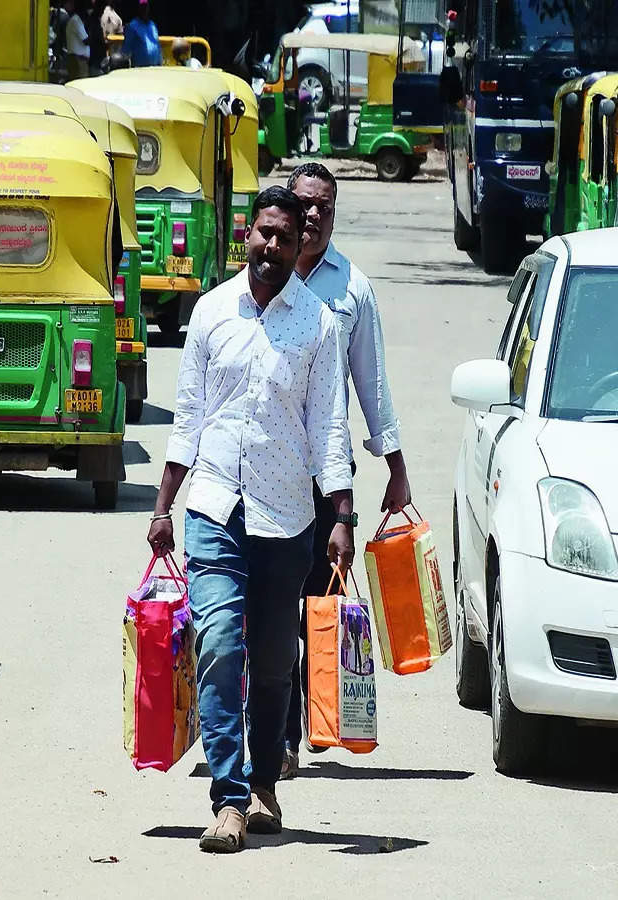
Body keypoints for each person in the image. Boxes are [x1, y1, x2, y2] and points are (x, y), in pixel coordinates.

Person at [147, 185, 354, 853]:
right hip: (214, 505)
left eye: (285, 238)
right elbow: (188, 419)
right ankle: (230, 800)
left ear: (300, 248)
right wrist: (163, 505)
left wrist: (341, 514)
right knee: (218, 645)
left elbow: (328, 427)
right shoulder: (210, 314)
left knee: (271, 661)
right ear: (247, 234)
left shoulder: (319, 324)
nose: (272, 246)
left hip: (287, 516)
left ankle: (266, 782)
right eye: (264, 233)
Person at [280, 162, 411, 779]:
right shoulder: (262, 277)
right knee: (272, 610)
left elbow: (373, 384)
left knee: (317, 606)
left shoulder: (352, 290)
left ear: (334, 213)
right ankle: (277, 738)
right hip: (264, 477)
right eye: (303, 204)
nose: (312, 216)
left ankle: (316, 716)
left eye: (324, 207)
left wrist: (397, 469)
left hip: (328, 481)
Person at [123, 0, 162, 67]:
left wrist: (160, 62)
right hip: (140, 69)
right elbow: (126, 50)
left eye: (146, 5)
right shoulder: (132, 26)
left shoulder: (152, 25)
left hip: (155, 67)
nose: (144, 8)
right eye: (142, 6)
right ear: (138, 8)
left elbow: (157, 45)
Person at [64, 0, 91, 80]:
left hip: (78, 59)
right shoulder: (76, 21)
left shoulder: (76, 20)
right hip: (78, 60)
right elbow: (86, 41)